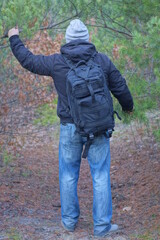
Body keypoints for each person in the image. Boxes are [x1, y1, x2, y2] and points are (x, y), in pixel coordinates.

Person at [8, 19, 133, 237]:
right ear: (87, 39)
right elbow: (119, 85)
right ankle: (102, 227)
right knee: (101, 175)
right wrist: (128, 107)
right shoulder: (102, 60)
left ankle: (68, 222)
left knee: (68, 175)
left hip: (69, 128)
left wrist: (14, 38)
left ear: (67, 40)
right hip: (99, 128)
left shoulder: (57, 62)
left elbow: (28, 61)